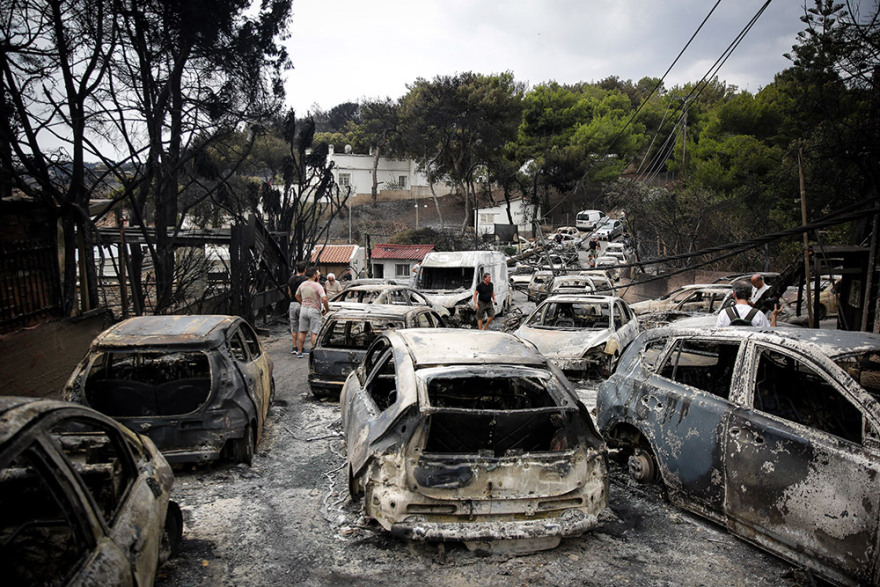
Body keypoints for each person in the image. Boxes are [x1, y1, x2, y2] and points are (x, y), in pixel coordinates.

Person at [295, 267, 330, 357]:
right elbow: (324, 299)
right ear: (314, 275)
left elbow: (297, 295)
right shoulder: (317, 286)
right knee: (314, 332)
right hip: (314, 309)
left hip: (304, 308)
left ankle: (299, 351)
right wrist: (327, 309)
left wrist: (302, 302)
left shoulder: (303, 284)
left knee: (302, 331)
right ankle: (315, 353)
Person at [287, 261, 307, 353]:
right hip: (301, 303)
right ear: (305, 269)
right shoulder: (305, 280)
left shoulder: (291, 279)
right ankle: (301, 348)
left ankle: (294, 347)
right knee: (302, 327)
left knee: (294, 326)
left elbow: (289, 292)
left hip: (292, 304)